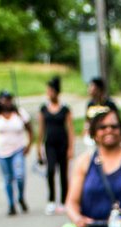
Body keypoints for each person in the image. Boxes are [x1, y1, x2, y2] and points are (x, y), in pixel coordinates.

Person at [0, 90, 32, 215]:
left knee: (20, 175)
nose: (7, 102)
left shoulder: (19, 113)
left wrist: (29, 144)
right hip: (0, 152)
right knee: (8, 179)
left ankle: (21, 197)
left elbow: (30, 129)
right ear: (0, 101)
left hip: (18, 149)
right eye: (5, 99)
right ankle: (11, 204)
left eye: (9, 99)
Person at [38, 77, 76, 215]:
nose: (49, 93)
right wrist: (38, 147)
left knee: (64, 173)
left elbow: (71, 130)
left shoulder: (65, 109)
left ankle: (65, 200)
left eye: (51, 90)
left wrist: (71, 148)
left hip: (63, 143)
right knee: (50, 170)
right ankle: (51, 200)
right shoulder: (43, 108)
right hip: (50, 144)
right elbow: (41, 129)